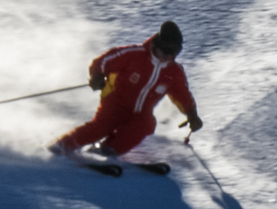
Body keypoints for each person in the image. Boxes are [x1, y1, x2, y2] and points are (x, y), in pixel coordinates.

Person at [51, 20, 203, 158]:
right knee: (102, 127)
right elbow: (104, 61)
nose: (167, 56)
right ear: (157, 44)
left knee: (147, 124)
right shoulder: (133, 55)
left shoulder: (174, 72)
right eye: (165, 50)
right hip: (115, 105)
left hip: (140, 113)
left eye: (174, 52)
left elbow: (182, 94)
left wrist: (192, 114)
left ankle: (107, 150)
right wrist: (97, 76)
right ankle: (61, 146)